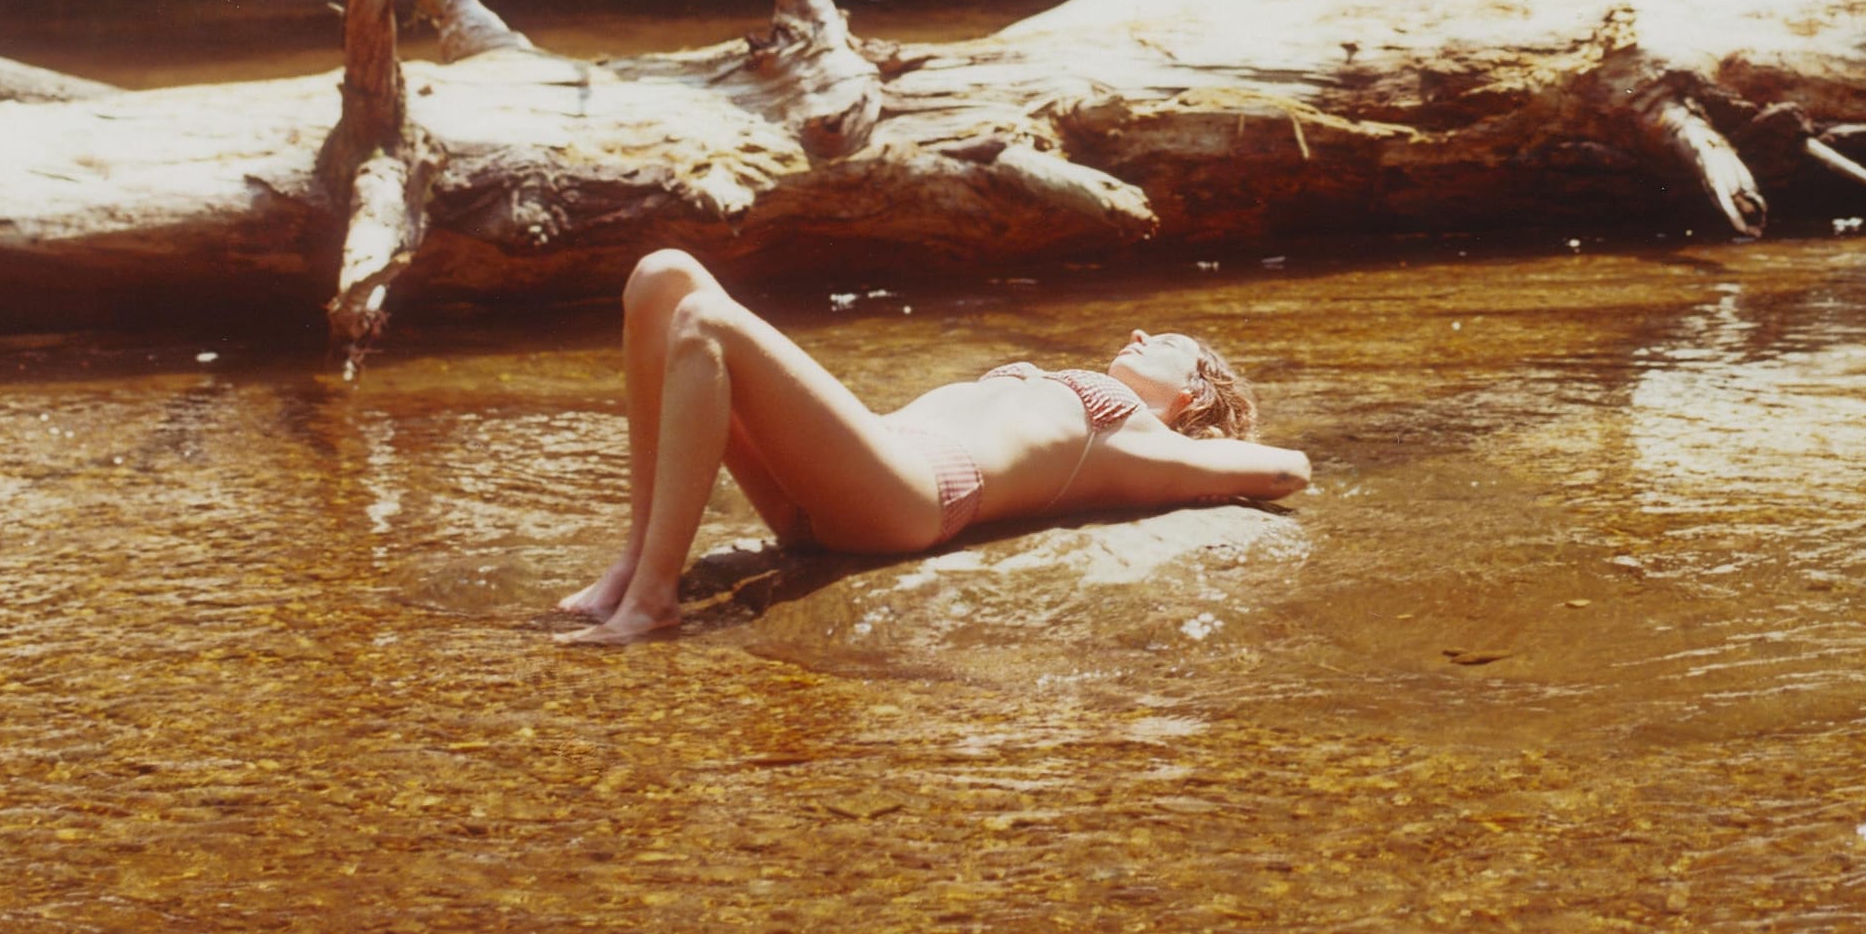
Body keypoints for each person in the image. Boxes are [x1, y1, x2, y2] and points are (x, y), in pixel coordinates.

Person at [556, 246, 1310, 643]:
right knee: (664, 275)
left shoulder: (1142, 442)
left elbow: (1288, 468)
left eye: (1169, 341)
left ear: (1192, 395)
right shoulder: (1101, 409)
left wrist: (1195, 467)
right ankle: (631, 565)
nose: (1142, 332)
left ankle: (653, 599)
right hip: (852, 475)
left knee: (706, 323)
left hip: (910, 495)